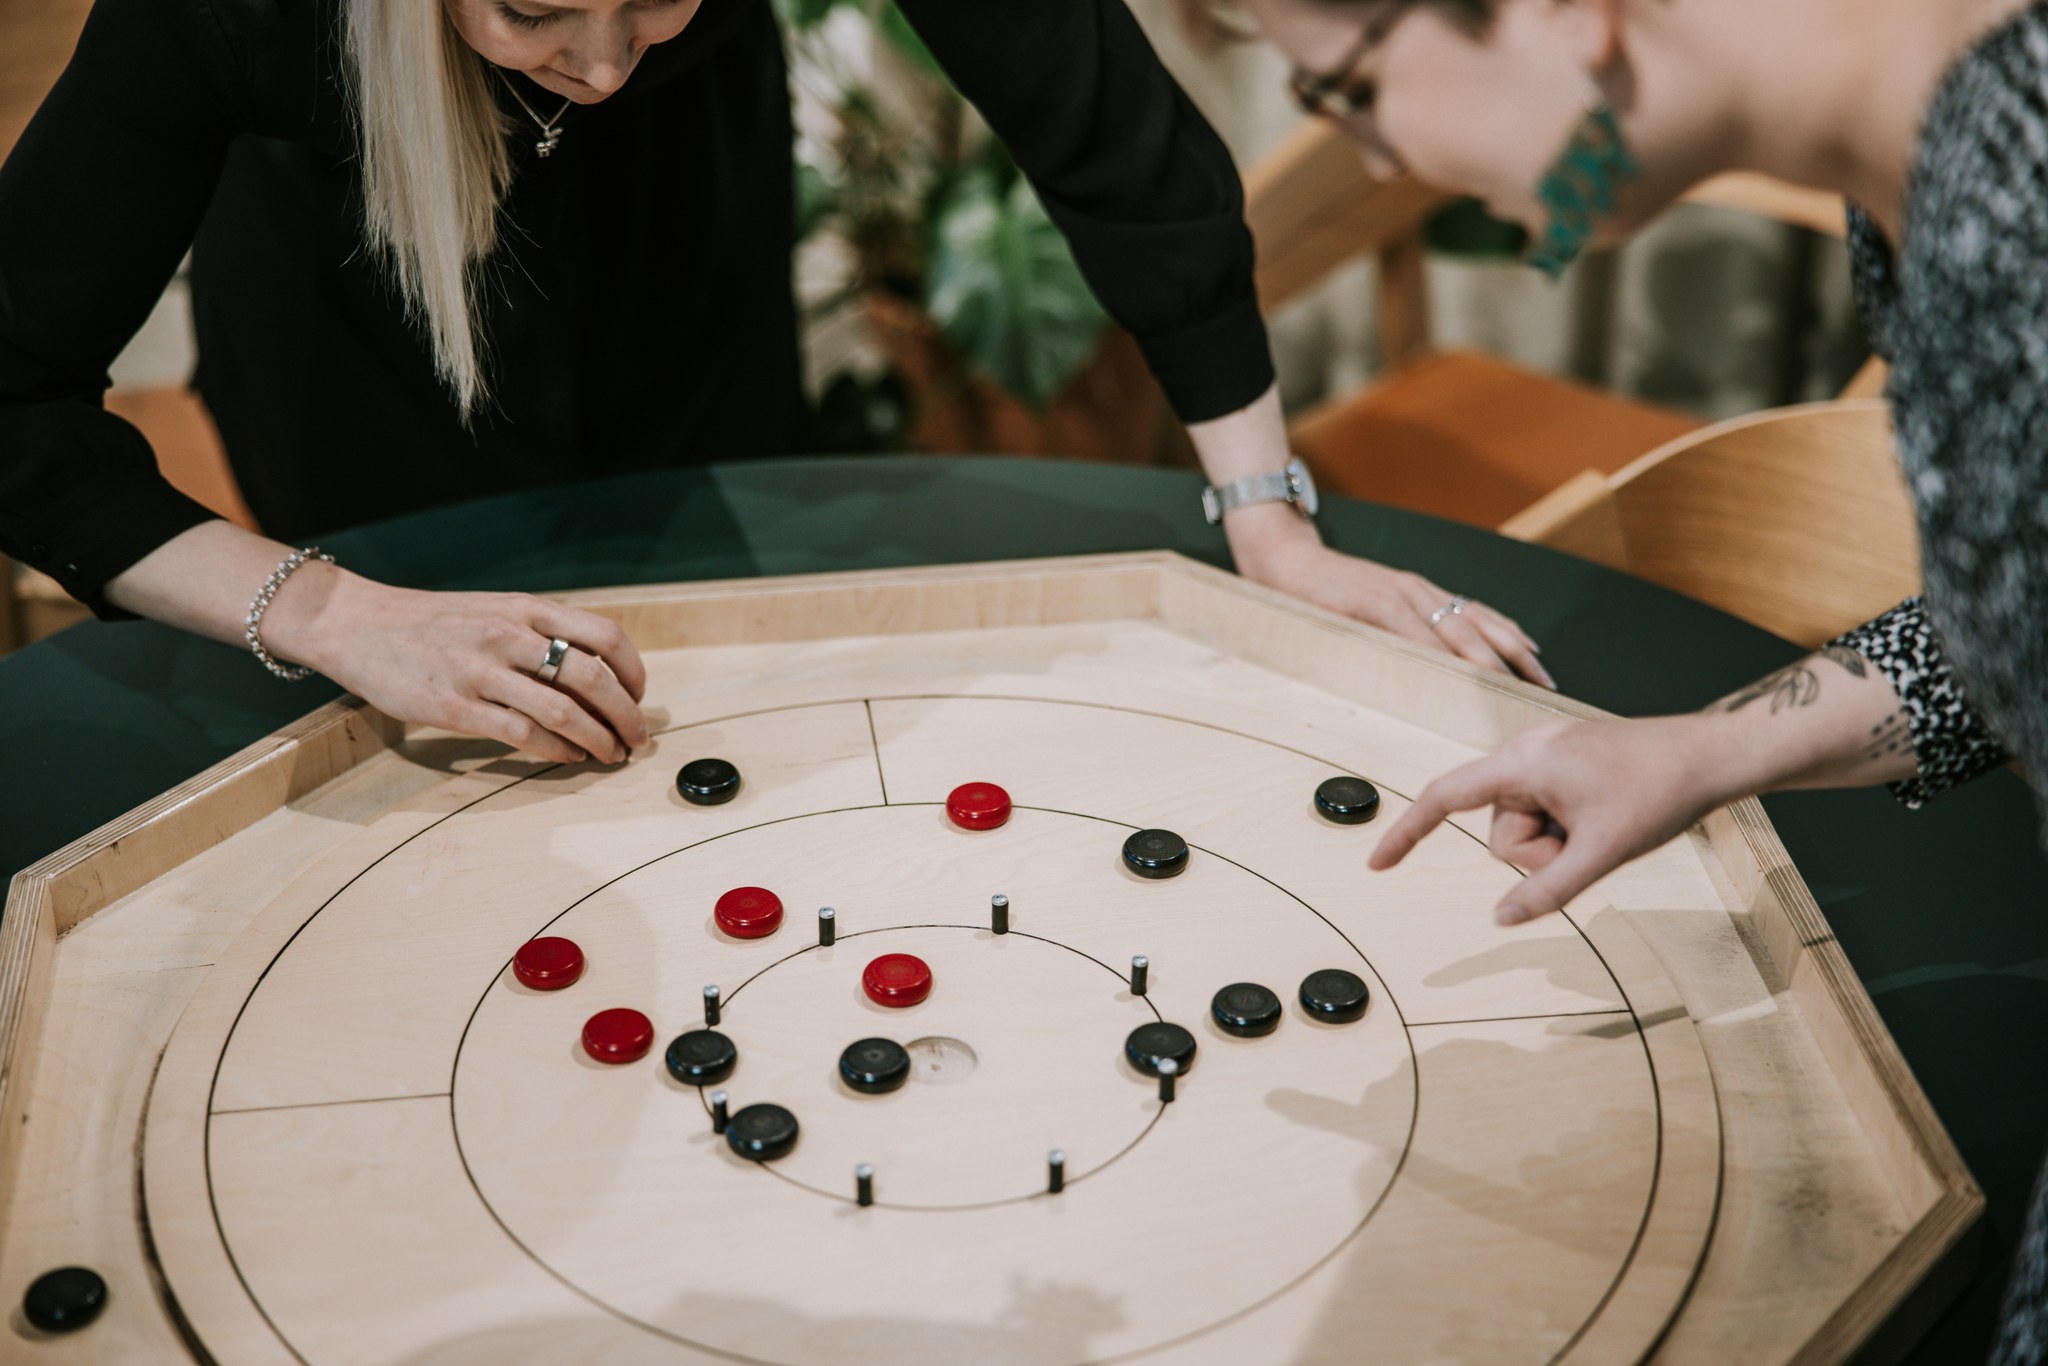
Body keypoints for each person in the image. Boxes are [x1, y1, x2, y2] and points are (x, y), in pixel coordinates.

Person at [0, 0, 1549, 769]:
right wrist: (342, 614)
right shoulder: (230, 12)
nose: (602, 65)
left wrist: (1271, 521)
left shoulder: (621, 71)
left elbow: (1114, 140)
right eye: (534, 9)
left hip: (690, 286)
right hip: (362, 340)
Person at [1228, 0, 2047, 1357]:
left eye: (1348, 91)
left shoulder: (2011, 209)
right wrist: (1695, 751)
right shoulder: (1917, 165)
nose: (1374, 165)